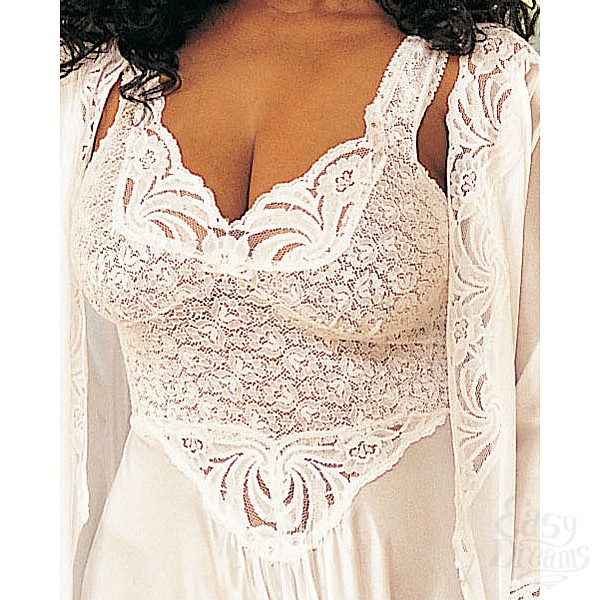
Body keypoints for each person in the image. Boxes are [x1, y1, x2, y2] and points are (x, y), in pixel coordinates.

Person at [60, 0, 540, 598]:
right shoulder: (96, 82)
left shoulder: (482, 83)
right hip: (142, 572)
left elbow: (553, 399)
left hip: (396, 574)